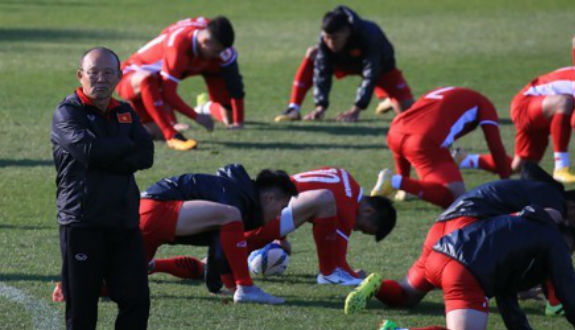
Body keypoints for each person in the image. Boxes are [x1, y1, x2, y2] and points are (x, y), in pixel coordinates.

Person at [360, 206, 575, 330]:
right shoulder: (552, 240)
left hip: (437, 256)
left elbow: (504, 287)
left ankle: (379, 293)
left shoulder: (515, 222)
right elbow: (570, 292)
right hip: (462, 270)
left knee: (416, 300)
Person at [51, 47, 155, 330]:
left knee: (137, 300)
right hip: (82, 222)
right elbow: (88, 152)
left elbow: (146, 154)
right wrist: (122, 152)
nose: (100, 79)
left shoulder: (125, 111)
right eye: (93, 72)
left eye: (108, 73)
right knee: (82, 309)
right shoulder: (67, 112)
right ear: (79, 74)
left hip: (124, 223)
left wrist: (113, 151)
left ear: (119, 76)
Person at [345, 172, 575, 314]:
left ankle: (375, 284)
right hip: (466, 230)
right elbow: (547, 249)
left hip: (443, 225)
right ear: (573, 207)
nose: (573, 228)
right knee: (470, 300)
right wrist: (556, 297)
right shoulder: (554, 205)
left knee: (406, 297)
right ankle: (556, 305)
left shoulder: (535, 189)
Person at [150, 167, 397, 287]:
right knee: (222, 259)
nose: (355, 229)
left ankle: (152, 265)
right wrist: (352, 275)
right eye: (362, 228)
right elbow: (338, 256)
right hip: (266, 214)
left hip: (266, 207)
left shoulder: (344, 179)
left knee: (217, 259)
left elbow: (294, 189)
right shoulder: (345, 203)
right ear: (368, 210)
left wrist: (281, 237)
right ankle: (328, 275)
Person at [139, 164, 297, 304]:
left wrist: (227, 286)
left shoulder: (239, 197)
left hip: (143, 216)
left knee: (122, 285)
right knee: (231, 214)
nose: (278, 216)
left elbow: (219, 244)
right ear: (270, 198)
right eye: (282, 207)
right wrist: (231, 285)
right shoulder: (236, 197)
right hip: (155, 209)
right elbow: (221, 244)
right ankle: (246, 288)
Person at [116, 16, 244, 151]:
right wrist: (197, 117)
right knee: (147, 78)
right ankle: (171, 135)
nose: (217, 55)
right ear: (205, 41)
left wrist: (238, 120)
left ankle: (117, 126)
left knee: (147, 133)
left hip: (153, 91)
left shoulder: (207, 31)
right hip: (129, 77)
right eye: (216, 51)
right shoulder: (178, 46)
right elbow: (168, 92)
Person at [370, 86, 512, 207]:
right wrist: (506, 182)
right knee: (456, 199)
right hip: (423, 142)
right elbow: (496, 147)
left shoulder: (444, 91)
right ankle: (396, 182)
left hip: (395, 130)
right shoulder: (484, 104)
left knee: (409, 147)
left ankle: (401, 186)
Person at [274, 5, 414, 123]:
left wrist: (356, 110)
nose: (330, 43)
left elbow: (371, 74)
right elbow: (322, 73)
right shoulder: (325, 40)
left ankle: (388, 98)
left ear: (347, 32)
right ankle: (294, 108)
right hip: (343, 62)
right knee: (313, 55)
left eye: (335, 38)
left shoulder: (369, 35)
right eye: (327, 37)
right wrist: (320, 107)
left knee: (408, 114)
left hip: (381, 68)